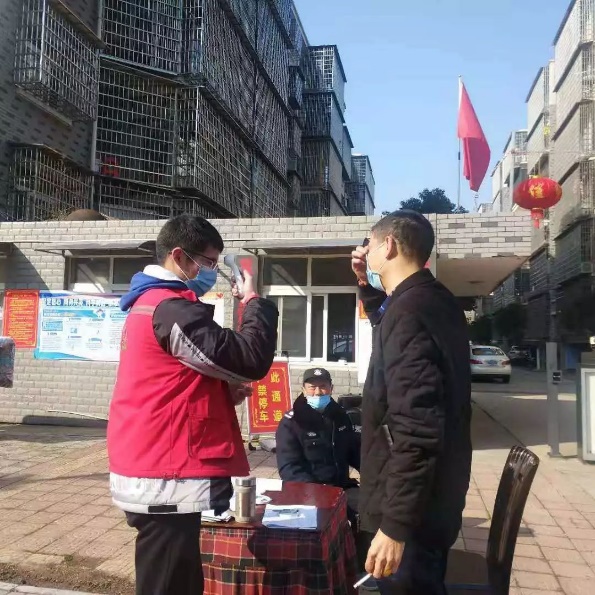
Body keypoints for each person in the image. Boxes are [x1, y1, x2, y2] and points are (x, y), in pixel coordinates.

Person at [107, 215, 278, 595]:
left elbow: (171, 381)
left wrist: (221, 394)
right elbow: (249, 358)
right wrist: (252, 301)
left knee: (179, 579)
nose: (212, 272)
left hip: (158, 464)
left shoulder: (151, 303)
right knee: (170, 582)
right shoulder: (170, 308)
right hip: (164, 473)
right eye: (208, 262)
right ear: (180, 256)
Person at [351, 210, 472, 595]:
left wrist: (395, 526)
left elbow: (417, 428)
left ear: (388, 245)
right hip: (434, 498)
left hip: (413, 514)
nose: (365, 253)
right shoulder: (431, 299)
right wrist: (364, 283)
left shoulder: (408, 313)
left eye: (369, 245)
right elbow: (387, 324)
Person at [275, 368, 360, 523]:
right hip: (309, 490)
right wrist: (318, 492)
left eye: (323, 386)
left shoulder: (341, 416)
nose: (318, 392)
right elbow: (289, 468)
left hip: (341, 487)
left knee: (372, 507)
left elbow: (355, 452)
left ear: (331, 388)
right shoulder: (292, 422)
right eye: (312, 387)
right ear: (303, 390)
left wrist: (376, 476)